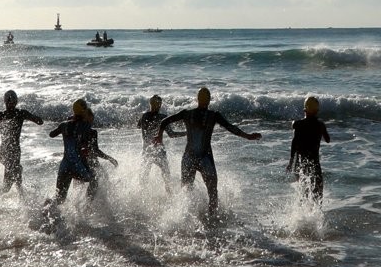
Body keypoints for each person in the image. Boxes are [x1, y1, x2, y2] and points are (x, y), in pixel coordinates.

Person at [154, 87, 262, 215]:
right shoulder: (213, 115)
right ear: (209, 100)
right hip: (205, 158)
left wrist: (159, 136)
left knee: (186, 191)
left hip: (188, 158)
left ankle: (183, 219)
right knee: (212, 192)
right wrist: (248, 136)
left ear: (197, 99)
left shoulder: (186, 114)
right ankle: (212, 220)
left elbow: (164, 121)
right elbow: (230, 128)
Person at [49, 99, 99, 204]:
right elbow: (88, 141)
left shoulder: (64, 125)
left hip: (64, 165)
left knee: (60, 199)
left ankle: (46, 207)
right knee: (94, 179)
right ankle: (88, 206)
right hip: (77, 166)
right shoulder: (86, 126)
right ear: (84, 111)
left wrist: (66, 125)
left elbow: (51, 134)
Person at [286, 95, 331, 205]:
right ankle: (316, 217)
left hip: (300, 163)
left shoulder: (298, 124)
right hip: (314, 163)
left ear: (305, 110)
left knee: (303, 192)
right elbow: (328, 140)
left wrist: (291, 162)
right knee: (318, 193)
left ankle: (301, 215)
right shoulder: (320, 125)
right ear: (317, 111)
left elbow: (294, 143)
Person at [137, 94, 185, 191]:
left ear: (150, 104)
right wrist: (187, 133)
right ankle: (169, 194)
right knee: (166, 175)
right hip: (158, 151)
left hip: (147, 150)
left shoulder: (144, 116)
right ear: (159, 105)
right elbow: (172, 134)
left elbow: (138, 126)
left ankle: (141, 195)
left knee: (144, 176)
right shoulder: (162, 117)